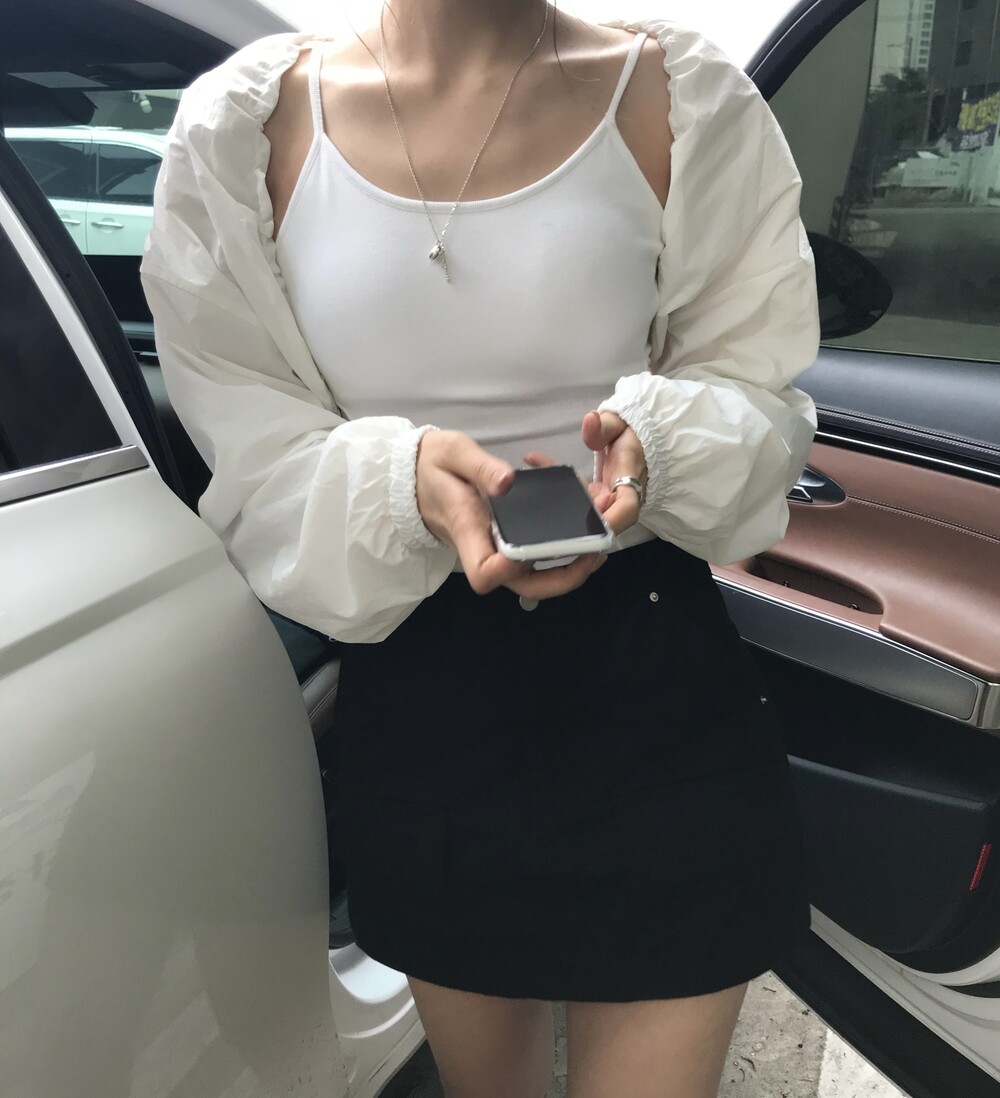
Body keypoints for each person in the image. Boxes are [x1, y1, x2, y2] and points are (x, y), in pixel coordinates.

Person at [140, 2, 820, 1095]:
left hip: (655, 679)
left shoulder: (677, 95)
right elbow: (246, 441)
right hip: (427, 688)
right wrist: (399, 481)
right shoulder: (242, 130)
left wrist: (655, 451)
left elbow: (758, 381)